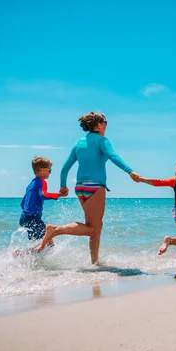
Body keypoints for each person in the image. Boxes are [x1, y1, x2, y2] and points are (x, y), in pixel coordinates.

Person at [37, 112, 139, 264]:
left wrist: (63, 185)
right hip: (95, 186)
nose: (106, 125)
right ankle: (55, 230)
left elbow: (65, 167)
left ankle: (95, 262)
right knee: (94, 229)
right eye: (105, 122)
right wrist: (130, 171)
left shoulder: (78, 143)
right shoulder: (102, 140)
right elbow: (113, 156)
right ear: (98, 125)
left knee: (94, 227)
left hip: (80, 188)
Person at [14, 156, 67, 256]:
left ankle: (27, 258)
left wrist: (29, 213)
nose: (50, 172)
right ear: (42, 171)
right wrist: (58, 195)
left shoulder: (31, 184)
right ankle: (21, 254)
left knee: (40, 242)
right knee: (49, 242)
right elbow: (43, 194)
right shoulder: (41, 181)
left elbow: (22, 203)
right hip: (33, 218)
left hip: (24, 218)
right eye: (49, 170)